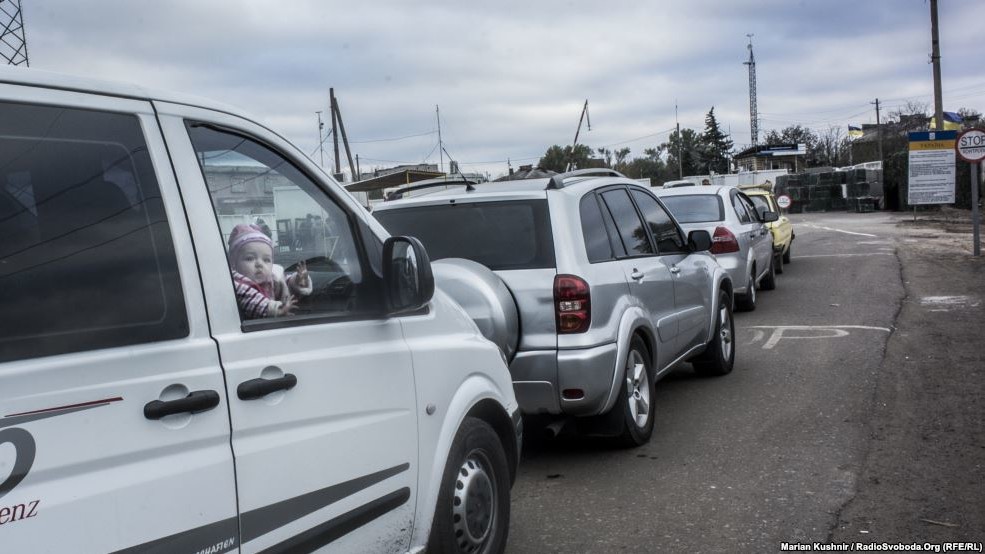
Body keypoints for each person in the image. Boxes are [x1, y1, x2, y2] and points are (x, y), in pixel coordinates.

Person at [227, 223, 312, 319]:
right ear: (233, 263)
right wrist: (278, 309)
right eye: (250, 258)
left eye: (266, 260)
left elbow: (283, 284)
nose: (259, 264)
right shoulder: (236, 284)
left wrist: (298, 281)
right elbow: (251, 299)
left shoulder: (271, 278)